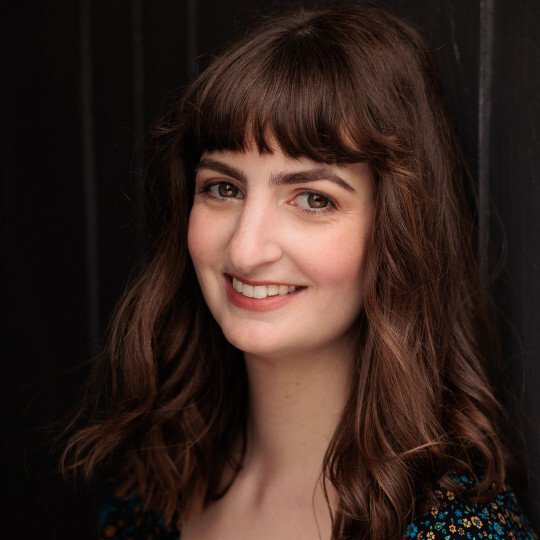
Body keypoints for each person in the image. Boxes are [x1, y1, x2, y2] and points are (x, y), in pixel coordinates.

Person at [62, 4, 538, 540]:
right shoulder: (152, 494)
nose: (245, 250)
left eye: (312, 198)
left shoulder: (458, 531)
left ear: (400, 231)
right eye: (224, 188)